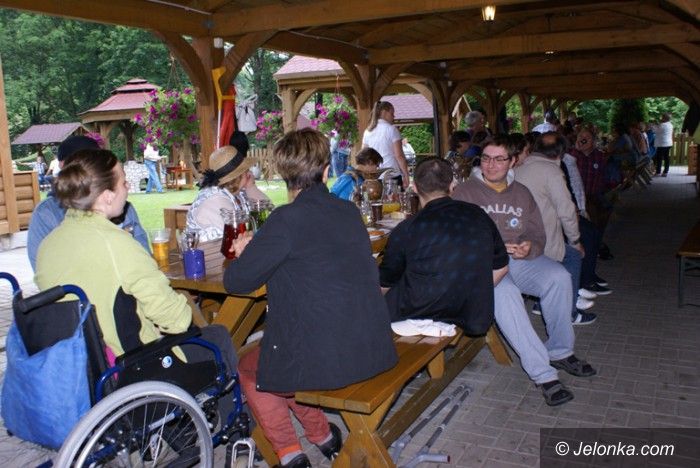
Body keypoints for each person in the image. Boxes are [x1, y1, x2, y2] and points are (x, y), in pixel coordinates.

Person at [224, 128, 397, 468]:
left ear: (283, 175)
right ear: (326, 170)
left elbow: (237, 281)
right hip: (373, 345)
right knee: (284, 353)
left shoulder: (285, 220)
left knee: (251, 367)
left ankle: (290, 453)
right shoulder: (348, 211)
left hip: (330, 358)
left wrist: (241, 252)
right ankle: (322, 436)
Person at [34, 149, 237, 405]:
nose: (128, 187)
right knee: (217, 337)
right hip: (131, 371)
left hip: (77, 374)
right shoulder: (117, 244)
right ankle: (228, 425)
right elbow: (177, 321)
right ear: (107, 196)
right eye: (123, 182)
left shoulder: (48, 246)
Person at [453, 137, 596, 404]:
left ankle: (560, 351)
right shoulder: (464, 193)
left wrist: (529, 246)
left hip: (519, 260)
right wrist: (490, 249)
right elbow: (455, 237)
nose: (491, 165)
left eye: (499, 159)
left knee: (559, 277)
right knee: (506, 295)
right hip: (483, 267)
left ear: (513, 161)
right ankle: (543, 374)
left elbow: (537, 233)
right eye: (486, 158)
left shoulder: (522, 192)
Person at [380, 157, 508, 336]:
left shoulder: (407, 228)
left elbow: (385, 282)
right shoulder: (479, 215)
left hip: (418, 311)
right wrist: (468, 292)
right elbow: (502, 267)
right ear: (452, 185)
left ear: (414, 188)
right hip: (471, 315)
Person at [27, 135, 149, 271]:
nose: (88, 168)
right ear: (62, 166)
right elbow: (43, 269)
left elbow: (145, 254)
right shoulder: (47, 212)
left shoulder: (122, 207)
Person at [515, 132, 596, 325]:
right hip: (541, 239)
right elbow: (566, 211)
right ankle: (569, 312)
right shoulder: (551, 171)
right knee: (573, 256)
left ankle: (541, 304)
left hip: (521, 234)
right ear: (560, 153)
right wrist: (575, 241)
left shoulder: (519, 168)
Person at [187, 145, 267, 242]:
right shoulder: (216, 200)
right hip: (212, 251)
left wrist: (251, 187)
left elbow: (267, 212)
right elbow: (238, 238)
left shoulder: (235, 192)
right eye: (246, 170)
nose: (249, 172)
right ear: (239, 176)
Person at [362, 101, 410, 187]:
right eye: (392, 113)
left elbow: (364, 155)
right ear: (384, 112)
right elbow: (399, 155)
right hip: (392, 175)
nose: (394, 117)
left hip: (375, 176)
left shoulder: (367, 131)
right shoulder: (392, 129)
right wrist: (406, 175)